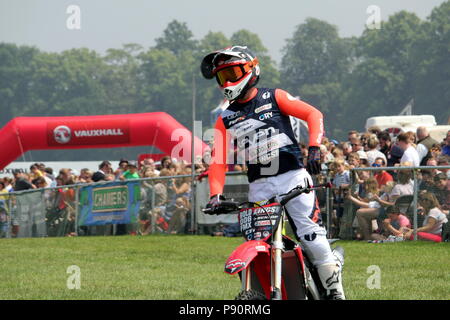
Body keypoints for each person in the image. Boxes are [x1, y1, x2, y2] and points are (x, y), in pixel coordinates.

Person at [201, 45, 345, 299]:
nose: (228, 82)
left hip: (293, 177)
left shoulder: (274, 96)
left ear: (250, 69)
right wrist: (215, 196)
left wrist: (314, 147)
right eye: (222, 77)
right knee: (260, 243)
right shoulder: (225, 117)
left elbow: (313, 114)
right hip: (259, 186)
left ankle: (335, 293)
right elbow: (219, 160)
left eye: (232, 73)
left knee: (310, 236)